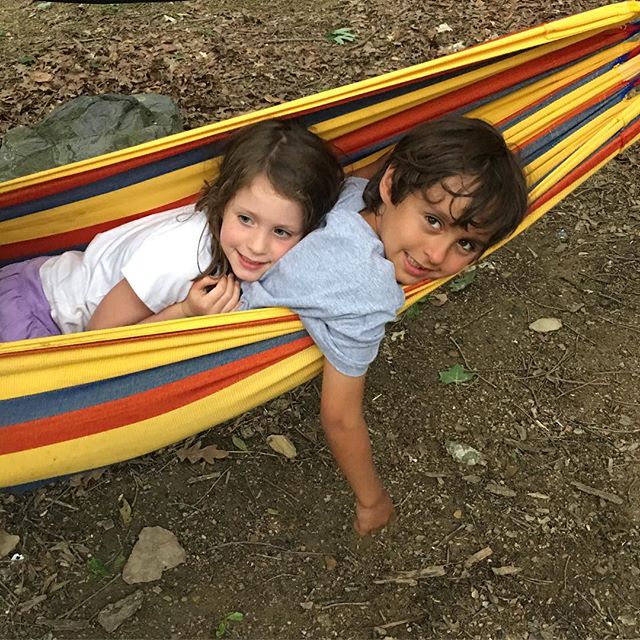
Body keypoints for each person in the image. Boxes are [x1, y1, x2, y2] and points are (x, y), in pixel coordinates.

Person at [240, 115, 529, 536]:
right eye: (434, 221)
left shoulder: (351, 192)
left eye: (465, 244)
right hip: (203, 331)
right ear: (391, 185)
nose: (435, 255)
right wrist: (371, 499)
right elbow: (340, 418)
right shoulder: (369, 294)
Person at [0, 119, 344, 342]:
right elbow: (97, 341)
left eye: (281, 232)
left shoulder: (228, 236)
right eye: (246, 219)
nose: (256, 245)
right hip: (34, 317)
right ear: (224, 200)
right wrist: (185, 312)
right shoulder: (181, 258)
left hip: (41, 284)